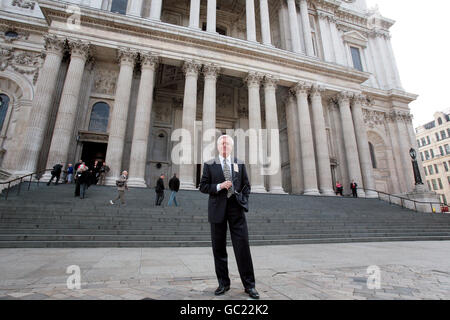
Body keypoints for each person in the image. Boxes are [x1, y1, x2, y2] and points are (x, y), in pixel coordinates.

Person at [199, 135, 259, 299]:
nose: (224, 145)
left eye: (227, 143)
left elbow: (247, 185)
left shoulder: (239, 163)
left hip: (236, 209)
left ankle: (249, 285)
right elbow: (203, 186)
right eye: (222, 143)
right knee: (219, 249)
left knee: (242, 247)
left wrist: (243, 200)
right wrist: (219, 186)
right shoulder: (209, 164)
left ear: (231, 147)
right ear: (218, 146)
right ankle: (223, 283)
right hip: (217, 209)